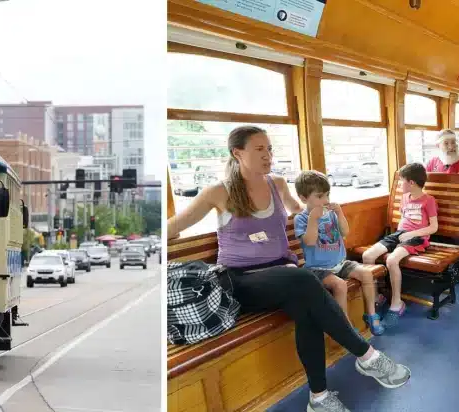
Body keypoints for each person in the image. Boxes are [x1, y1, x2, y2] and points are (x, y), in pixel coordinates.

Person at [166, 125, 410, 412]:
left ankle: (318, 398)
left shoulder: (277, 184)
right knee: (302, 280)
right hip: (241, 281)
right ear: (237, 153)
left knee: (306, 308)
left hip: (286, 276)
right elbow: (173, 226)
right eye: (259, 149)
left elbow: (300, 211)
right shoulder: (217, 192)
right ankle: (366, 356)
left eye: (269, 148)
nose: (268, 155)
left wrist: (323, 209)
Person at [293, 170, 385, 336]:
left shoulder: (331, 215)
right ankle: (345, 326)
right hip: (318, 269)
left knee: (367, 275)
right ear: (304, 198)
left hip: (341, 262)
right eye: (320, 196)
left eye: (327, 195)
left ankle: (371, 314)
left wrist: (340, 213)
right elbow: (310, 241)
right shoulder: (301, 219)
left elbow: (345, 232)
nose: (326, 200)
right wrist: (313, 220)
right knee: (340, 285)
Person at [358, 163, 438, 328]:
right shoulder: (404, 198)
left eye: (402, 181)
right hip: (400, 234)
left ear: (412, 183)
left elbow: (433, 227)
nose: (400, 185)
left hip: (417, 237)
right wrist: (398, 236)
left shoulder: (428, 200)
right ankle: (376, 296)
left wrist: (411, 234)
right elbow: (404, 218)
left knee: (392, 260)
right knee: (368, 256)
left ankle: (397, 302)